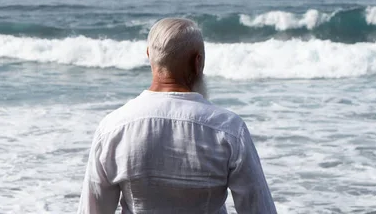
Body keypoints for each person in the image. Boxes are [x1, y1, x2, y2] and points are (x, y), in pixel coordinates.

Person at [78, 18, 277, 213]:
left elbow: (93, 210)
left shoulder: (113, 127)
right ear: (197, 62)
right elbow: (259, 208)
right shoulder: (228, 129)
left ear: (149, 55)